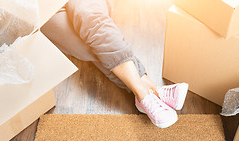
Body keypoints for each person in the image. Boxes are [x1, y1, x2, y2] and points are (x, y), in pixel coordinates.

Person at [41, 0, 188, 128]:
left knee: (92, 21)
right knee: (83, 45)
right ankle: (151, 89)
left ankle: (142, 93)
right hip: (41, 6)